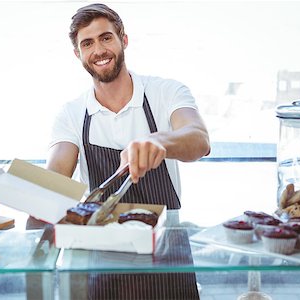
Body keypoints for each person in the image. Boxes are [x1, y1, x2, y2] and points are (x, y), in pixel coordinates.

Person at [46, 3, 210, 299]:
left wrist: (159, 142)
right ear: (78, 54)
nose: (99, 50)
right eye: (88, 43)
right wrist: (21, 191)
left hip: (166, 252)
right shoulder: (71, 114)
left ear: (123, 39)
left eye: (106, 38)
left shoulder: (165, 92)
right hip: (104, 258)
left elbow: (198, 139)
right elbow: (56, 173)